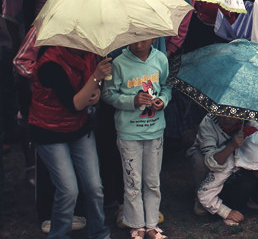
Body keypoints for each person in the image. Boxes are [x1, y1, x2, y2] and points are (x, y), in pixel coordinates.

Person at [30, 44, 112, 239]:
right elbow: (74, 104)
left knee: (94, 187)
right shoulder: (50, 63)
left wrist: (97, 91)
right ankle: (59, 235)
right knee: (68, 190)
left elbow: (89, 90)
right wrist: (96, 77)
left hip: (78, 128)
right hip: (49, 131)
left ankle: (99, 233)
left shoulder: (90, 54)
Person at [101, 39, 169, 239]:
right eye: (134, 39)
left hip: (155, 130)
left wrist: (162, 101)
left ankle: (152, 224)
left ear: (154, 38)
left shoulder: (161, 59)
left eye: (144, 39)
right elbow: (108, 94)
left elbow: (166, 87)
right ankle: (136, 224)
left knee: (152, 180)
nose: (139, 44)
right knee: (132, 180)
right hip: (129, 132)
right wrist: (131, 101)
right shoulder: (119, 62)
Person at [186, 115, 258, 215]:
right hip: (214, 157)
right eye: (223, 114)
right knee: (202, 163)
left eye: (232, 116)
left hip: (240, 159)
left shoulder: (248, 120)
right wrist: (231, 146)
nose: (227, 119)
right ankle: (204, 202)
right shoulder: (208, 122)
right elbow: (210, 161)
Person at [197, 129, 258, 226]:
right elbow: (204, 193)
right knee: (247, 181)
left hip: (249, 190)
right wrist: (226, 212)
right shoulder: (230, 161)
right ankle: (234, 207)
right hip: (232, 193)